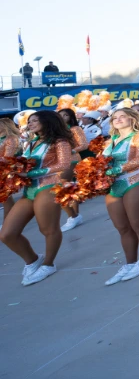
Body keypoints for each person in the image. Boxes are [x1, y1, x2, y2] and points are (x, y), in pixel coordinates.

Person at [0, 110, 74, 285]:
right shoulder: (32, 142)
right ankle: (33, 260)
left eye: (34, 121)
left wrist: (33, 172)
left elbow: (63, 164)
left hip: (48, 186)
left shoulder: (60, 141)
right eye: (29, 121)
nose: (30, 124)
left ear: (47, 122)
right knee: (7, 234)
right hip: (29, 190)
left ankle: (48, 264)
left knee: (48, 229)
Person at [95, 108, 139, 284]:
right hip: (113, 187)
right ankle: (130, 263)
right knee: (122, 227)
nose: (118, 120)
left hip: (134, 181)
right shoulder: (109, 141)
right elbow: (99, 162)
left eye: (123, 116)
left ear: (132, 119)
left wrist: (115, 169)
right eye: (115, 118)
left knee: (138, 224)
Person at [57, 108, 88, 231]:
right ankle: (75, 215)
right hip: (59, 162)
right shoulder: (56, 131)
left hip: (72, 160)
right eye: (60, 115)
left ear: (71, 117)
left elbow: (84, 144)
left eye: (66, 115)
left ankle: (73, 216)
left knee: (60, 186)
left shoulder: (75, 129)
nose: (63, 117)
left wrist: (71, 150)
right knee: (68, 187)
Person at [0, 119, 22, 223]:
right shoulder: (1, 138)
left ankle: (7, 223)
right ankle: (9, 222)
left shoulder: (11, 138)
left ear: (5, 126)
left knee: (5, 199)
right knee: (5, 199)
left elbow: (8, 157)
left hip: (6, 171)